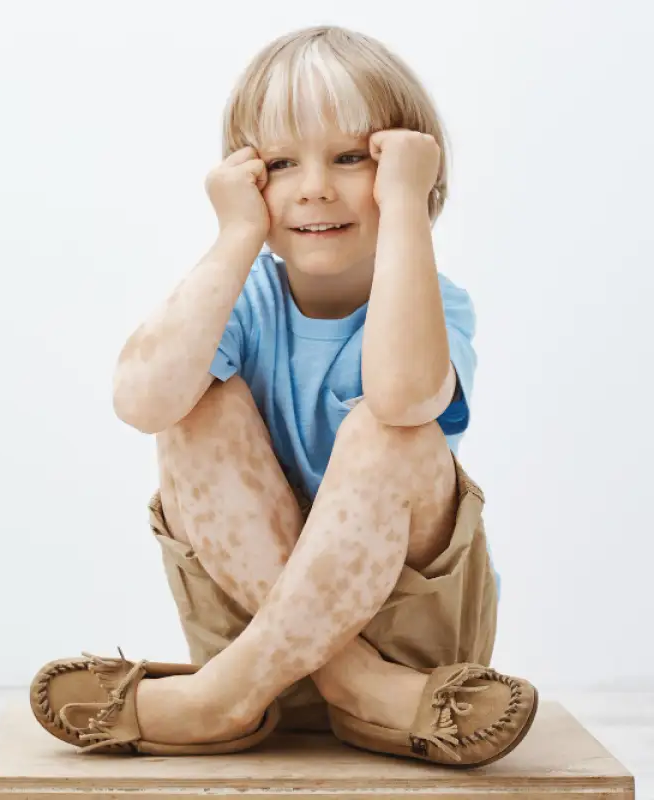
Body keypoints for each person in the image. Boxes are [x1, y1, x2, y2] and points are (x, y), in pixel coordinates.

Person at [28, 25, 538, 767]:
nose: (315, 187)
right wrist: (236, 233)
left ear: (406, 167)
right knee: (190, 402)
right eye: (279, 163)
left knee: (388, 427)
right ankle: (345, 683)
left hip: (416, 664)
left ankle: (221, 699)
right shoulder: (244, 303)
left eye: (352, 158)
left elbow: (399, 398)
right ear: (245, 177)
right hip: (253, 632)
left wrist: (405, 207)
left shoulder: (438, 306)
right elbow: (140, 401)